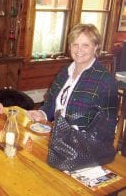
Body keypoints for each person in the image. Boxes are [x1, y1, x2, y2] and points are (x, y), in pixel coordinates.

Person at [27, 23, 118, 168]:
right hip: (56, 140)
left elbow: (107, 127)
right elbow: (52, 102)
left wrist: (76, 140)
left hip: (83, 151)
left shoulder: (105, 80)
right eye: (75, 44)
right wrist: (42, 113)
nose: (79, 50)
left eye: (85, 45)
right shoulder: (65, 72)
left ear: (95, 47)